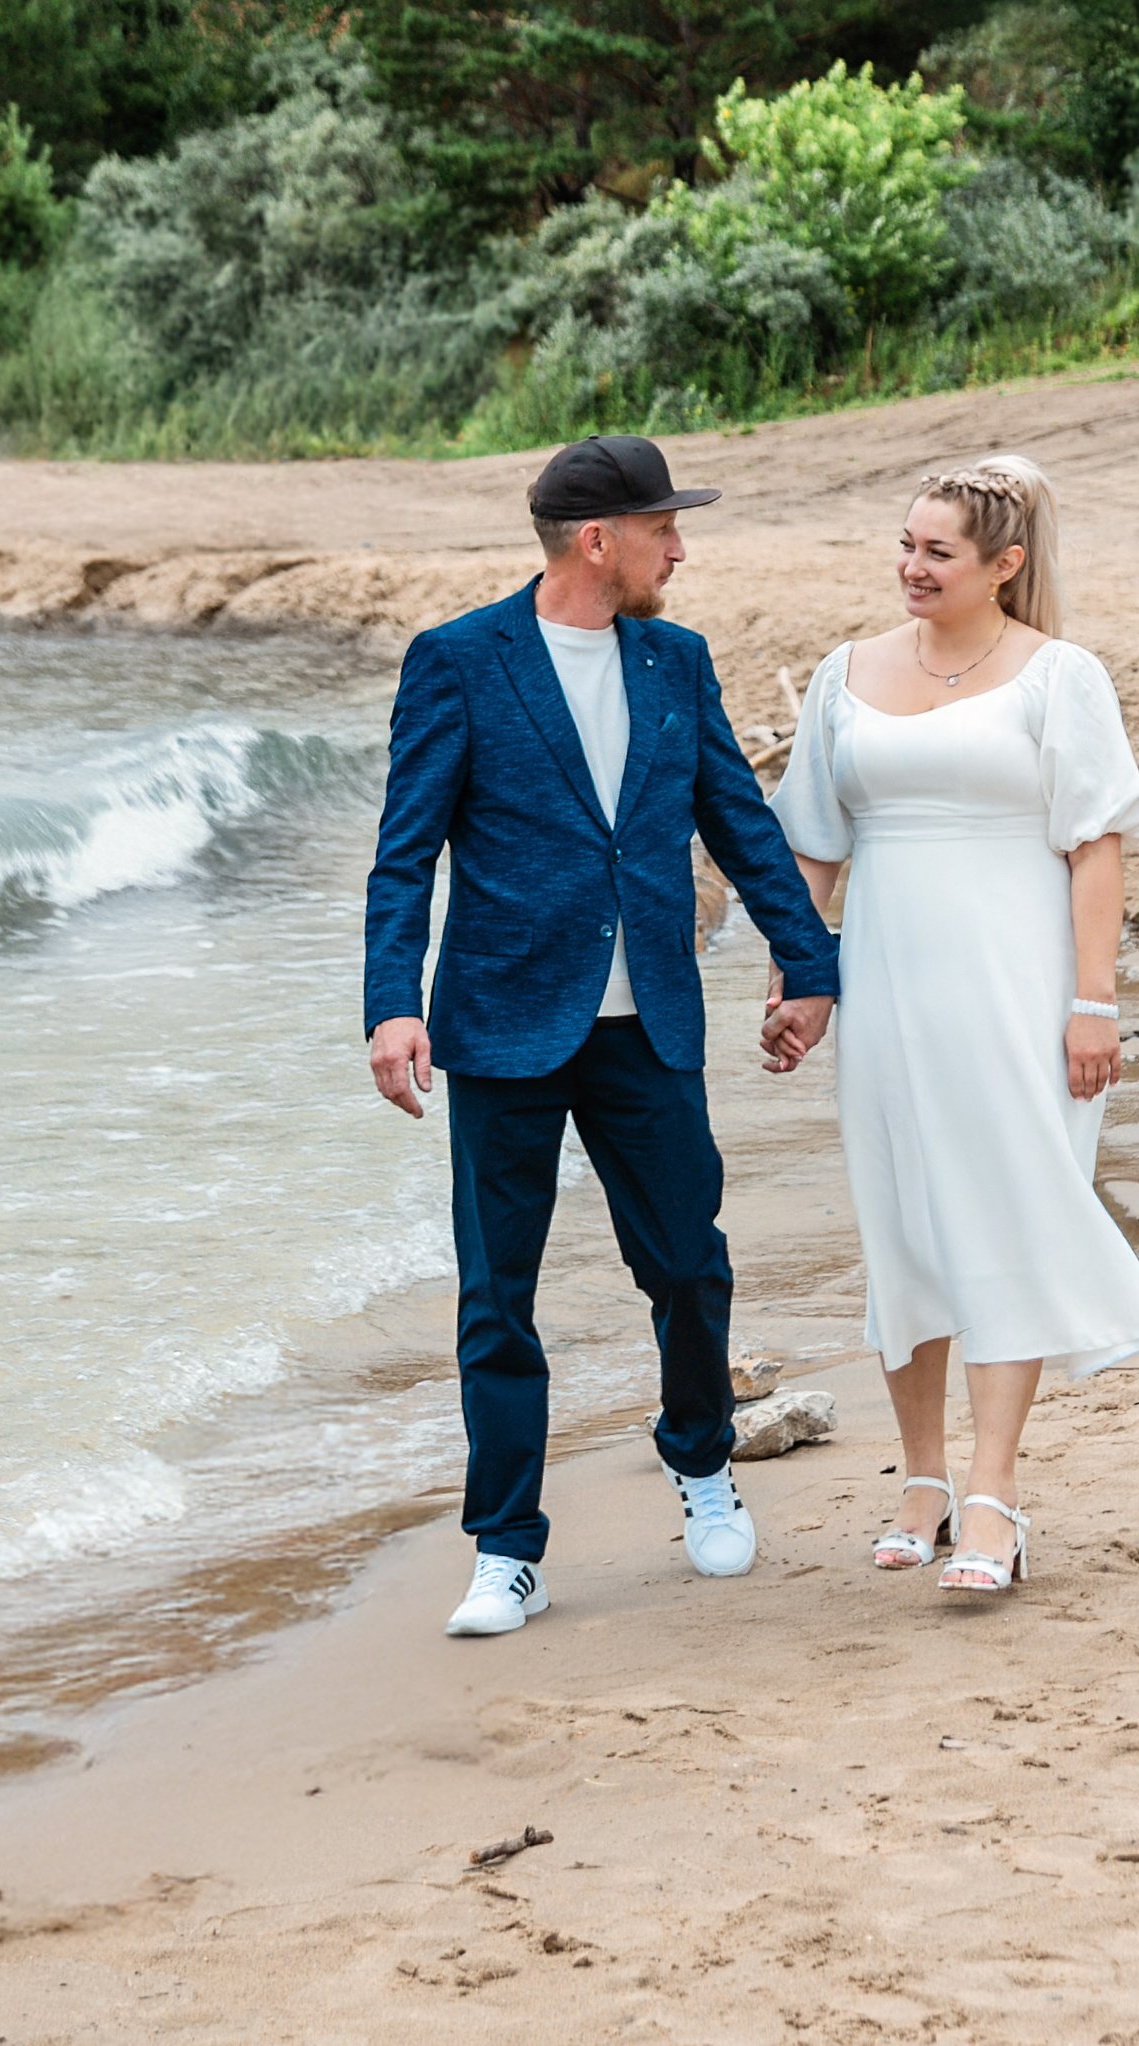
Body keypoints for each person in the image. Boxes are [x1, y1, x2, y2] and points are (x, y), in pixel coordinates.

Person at [362, 431, 839, 1637]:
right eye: (663, 529)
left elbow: (735, 814)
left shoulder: (676, 661)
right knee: (497, 1296)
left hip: (650, 1025)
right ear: (598, 540)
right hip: (503, 1021)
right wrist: (391, 1002)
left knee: (687, 1262)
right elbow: (406, 849)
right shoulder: (459, 661)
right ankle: (507, 1547)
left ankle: (701, 1461)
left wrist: (808, 958)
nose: (678, 548)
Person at [764, 453, 1139, 1594]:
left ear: (1005, 564)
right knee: (902, 1218)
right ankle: (921, 1476)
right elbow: (814, 845)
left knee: (1006, 1211)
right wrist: (800, 978)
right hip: (889, 978)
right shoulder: (844, 675)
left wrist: (1094, 1004)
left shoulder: (1060, 677)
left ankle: (992, 1493)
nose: (911, 566)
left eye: (937, 550)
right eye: (904, 544)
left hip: (1017, 978)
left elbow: (1097, 844)